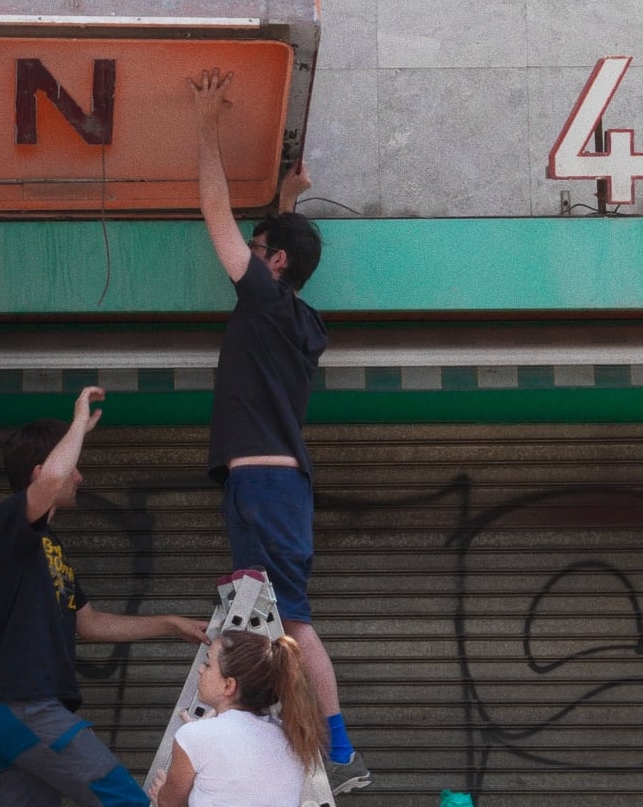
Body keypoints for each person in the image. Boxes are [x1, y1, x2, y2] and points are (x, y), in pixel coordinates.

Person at [190, 67, 369, 792]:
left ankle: (339, 750)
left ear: (276, 263)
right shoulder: (298, 317)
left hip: (264, 484)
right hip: (268, 483)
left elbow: (214, 213)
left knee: (290, 623)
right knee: (278, 621)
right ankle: (309, 742)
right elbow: (268, 239)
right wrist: (289, 201)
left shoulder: (265, 302)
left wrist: (205, 128)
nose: (249, 254)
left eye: (262, 247)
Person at [0, 387, 209, 807]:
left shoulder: (51, 548)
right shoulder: (7, 522)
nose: (80, 476)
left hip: (21, 715)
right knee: (126, 800)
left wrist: (169, 623)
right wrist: (77, 423)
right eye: (74, 467)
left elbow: (88, 623)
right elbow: (53, 477)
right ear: (40, 471)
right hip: (28, 708)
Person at [148, 629, 326, 807]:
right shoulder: (294, 737)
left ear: (228, 685)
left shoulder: (193, 737)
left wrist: (161, 795)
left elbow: (170, 804)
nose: (201, 669)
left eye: (208, 664)